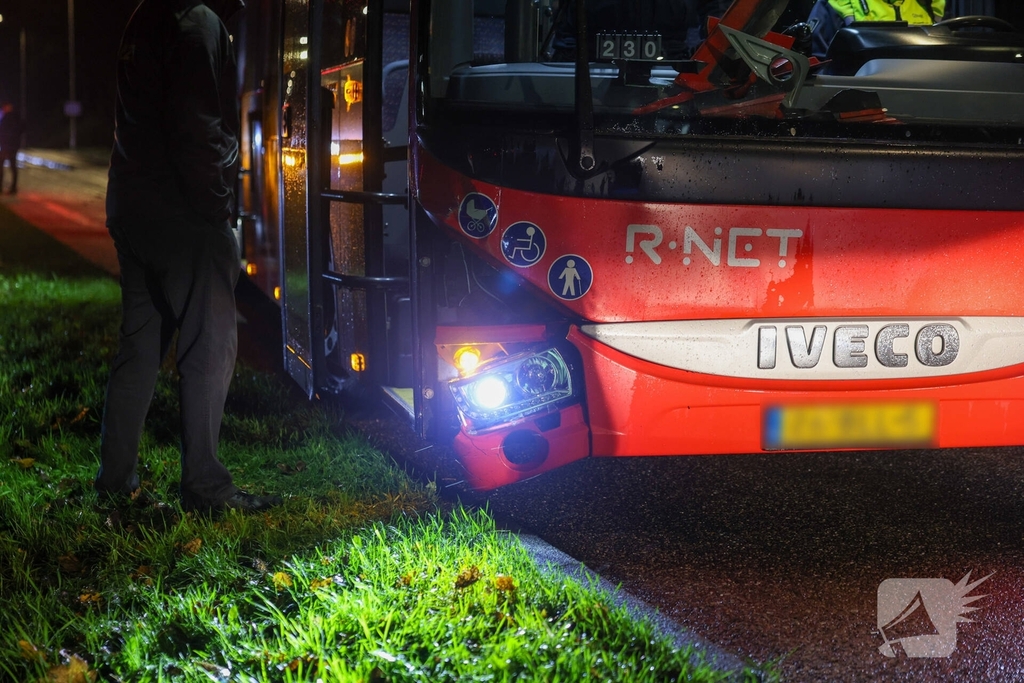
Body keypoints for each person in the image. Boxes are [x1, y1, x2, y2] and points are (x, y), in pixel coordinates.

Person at [95, 0, 280, 513]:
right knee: (210, 347)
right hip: (183, 216)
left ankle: (115, 484)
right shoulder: (196, 23)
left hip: (132, 205)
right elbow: (196, 126)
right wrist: (220, 210)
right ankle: (206, 488)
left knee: (138, 349)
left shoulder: (143, 15)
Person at [809, 0, 947, 58]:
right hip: (863, 99)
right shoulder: (839, 3)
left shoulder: (934, 4)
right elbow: (822, 68)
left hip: (926, 90)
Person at [0, 103, 24, 195]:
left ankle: (2, 186)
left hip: (7, 145)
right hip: (13, 146)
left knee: (2, 165)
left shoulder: (6, 118)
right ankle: (13, 187)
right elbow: (22, 130)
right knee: (12, 166)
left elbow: (2, 131)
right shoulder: (17, 118)